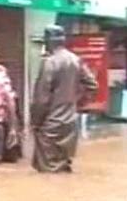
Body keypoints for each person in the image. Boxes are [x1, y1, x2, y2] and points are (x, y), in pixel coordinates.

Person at [31, 25, 98, 174]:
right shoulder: (75, 60)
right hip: (70, 122)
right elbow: (92, 85)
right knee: (64, 166)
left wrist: (35, 122)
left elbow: (42, 98)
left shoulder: (49, 62)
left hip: (50, 124)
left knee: (48, 171)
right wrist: (77, 104)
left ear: (49, 42)